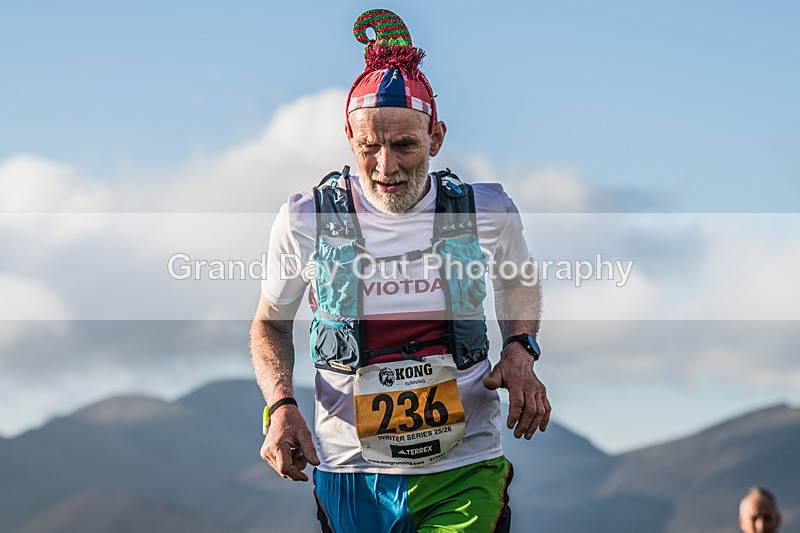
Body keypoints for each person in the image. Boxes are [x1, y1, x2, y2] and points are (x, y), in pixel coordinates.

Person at [250, 9, 551, 532]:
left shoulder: (487, 210)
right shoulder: (305, 219)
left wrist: (520, 350)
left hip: (465, 469)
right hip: (351, 471)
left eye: (405, 145)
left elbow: (517, 281)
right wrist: (280, 406)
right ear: (349, 137)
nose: (385, 167)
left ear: (436, 137)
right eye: (368, 147)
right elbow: (269, 323)